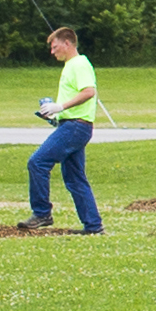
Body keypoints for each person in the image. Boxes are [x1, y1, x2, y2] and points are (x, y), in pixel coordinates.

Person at [27, 24, 103, 233]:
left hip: (75, 127)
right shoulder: (72, 65)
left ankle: (42, 213)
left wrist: (61, 107)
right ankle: (93, 226)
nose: (52, 52)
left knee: (38, 162)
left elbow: (89, 92)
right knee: (75, 179)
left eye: (54, 46)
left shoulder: (79, 64)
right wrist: (55, 114)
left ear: (67, 43)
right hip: (74, 124)